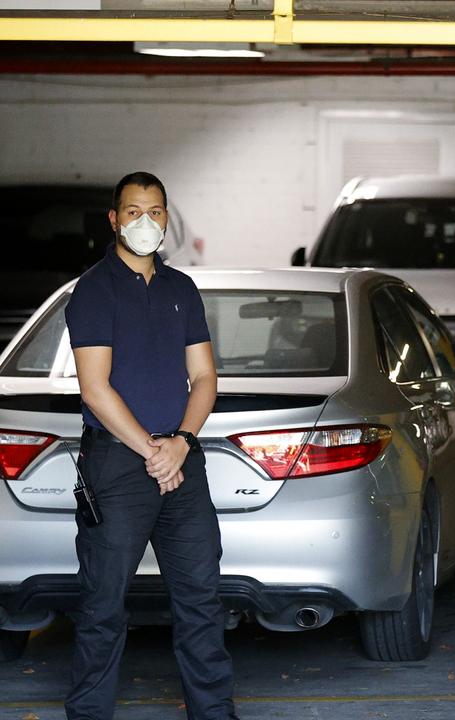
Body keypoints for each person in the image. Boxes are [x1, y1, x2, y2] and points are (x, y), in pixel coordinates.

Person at [64, 172, 237, 720]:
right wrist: (151, 450)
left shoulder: (181, 288)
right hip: (118, 465)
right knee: (103, 605)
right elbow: (95, 387)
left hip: (182, 462)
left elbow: (205, 377)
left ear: (167, 219)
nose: (145, 222)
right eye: (133, 211)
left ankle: (213, 712)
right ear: (114, 219)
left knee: (201, 601)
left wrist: (182, 442)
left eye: (156, 211)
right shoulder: (94, 289)